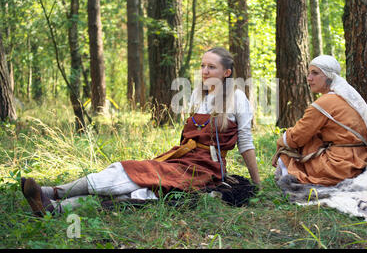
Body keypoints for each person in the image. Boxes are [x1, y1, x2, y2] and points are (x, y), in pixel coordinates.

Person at [21, 47, 261, 216]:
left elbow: (245, 144)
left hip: (202, 171)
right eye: (202, 66)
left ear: (227, 72)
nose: (205, 71)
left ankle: (53, 202)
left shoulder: (237, 98)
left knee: (138, 189)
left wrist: (258, 184)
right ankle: (49, 199)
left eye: (212, 67)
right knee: (130, 176)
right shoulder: (200, 96)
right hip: (179, 160)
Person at [272, 55, 367, 186]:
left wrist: (281, 141)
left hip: (339, 166)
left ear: (328, 76)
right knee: (311, 136)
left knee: (292, 146)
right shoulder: (348, 98)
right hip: (362, 161)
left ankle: (291, 175)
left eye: (315, 73)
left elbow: (297, 136)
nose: (309, 78)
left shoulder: (325, 103)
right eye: (309, 73)